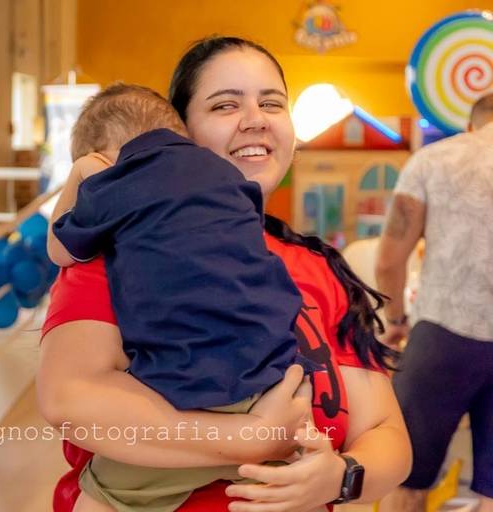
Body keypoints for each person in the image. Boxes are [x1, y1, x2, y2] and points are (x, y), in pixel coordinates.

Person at [37, 36, 411, 512]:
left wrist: (338, 477)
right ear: (179, 135)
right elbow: (71, 398)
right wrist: (250, 437)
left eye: (271, 103)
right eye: (225, 105)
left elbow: (386, 435)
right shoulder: (121, 252)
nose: (256, 119)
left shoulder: (319, 268)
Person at [48, 83, 318, 512]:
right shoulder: (226, 176)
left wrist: (82, 174)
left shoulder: (115, 183)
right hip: (274, 379)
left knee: (101, 492)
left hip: (188, 394)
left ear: (105, 159)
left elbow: (59, 251)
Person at [376, 93, 493, 512]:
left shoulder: (434, 160)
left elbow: (389, 261)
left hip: (443, 335)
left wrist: (396, 319)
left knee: (406, 475)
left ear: (471, 126)